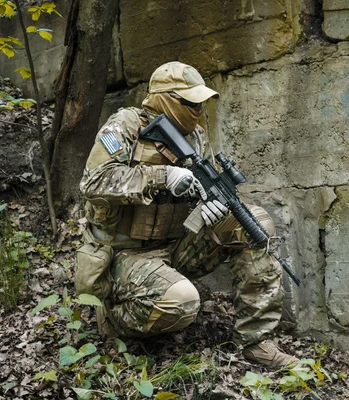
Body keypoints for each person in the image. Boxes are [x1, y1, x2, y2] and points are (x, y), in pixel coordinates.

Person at [76, 61, 297, 367]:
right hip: (123, 256)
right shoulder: (127, 125)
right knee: (182, 301)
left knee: (254, 224)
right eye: (191, 103)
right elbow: (93, 182)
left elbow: (199, 194)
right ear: (165, 99)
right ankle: (114, 319)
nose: (198, 110)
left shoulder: (195, 139)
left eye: (201, 103)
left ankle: (256, 342)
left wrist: (206, 209)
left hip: (176, 247)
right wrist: (161, 177)